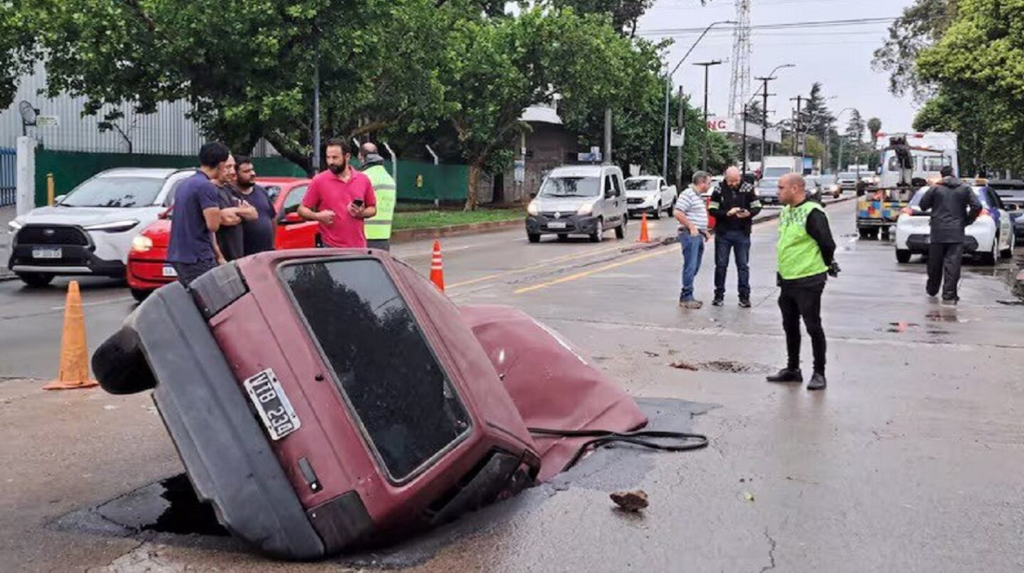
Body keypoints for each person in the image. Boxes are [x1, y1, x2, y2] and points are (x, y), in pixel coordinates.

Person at [766, 174, 837, 391]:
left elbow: (827, 243)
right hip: (787, 279)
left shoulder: (813, 212)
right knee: (789, 326)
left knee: (812, 325)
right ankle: (793, 368)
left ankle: (819, 372)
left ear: (795, 188)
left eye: (780, 187)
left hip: (809, 279)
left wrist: (825, 264)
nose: (777, 192)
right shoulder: (787, 211)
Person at [167, 142, 230, 286]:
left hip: (179, 254)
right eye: (226, 165)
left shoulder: (184, 184)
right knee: (211, 301)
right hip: (197, 256)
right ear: (220, 165)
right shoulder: (207, 186)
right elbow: (213, 225)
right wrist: (230, 214)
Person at [919, 165, 982, 305]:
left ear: (942, 175)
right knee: (953, 264)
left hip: (938, 231)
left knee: (935, 263)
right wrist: (967, 220)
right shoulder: (964, 188)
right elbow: (977, 206)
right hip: (956, 231)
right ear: (954, 174)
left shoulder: (935, 188)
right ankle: (949, 295)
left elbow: (923, 205)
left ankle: (932, 289)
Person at [298, 138, 377, 248]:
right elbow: (302, 210)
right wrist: (317, 216)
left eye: (335, 158)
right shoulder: (319, 180)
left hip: (358, 247)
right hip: (330, 248)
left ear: (347, 157)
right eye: (328, 157)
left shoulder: (363, 179)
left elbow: (372, 209)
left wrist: (360, 213)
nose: (330, 162)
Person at [708, 166, 762, 307]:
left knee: (743, 266)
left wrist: (749, 213)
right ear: (726, 178)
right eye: (731, 181)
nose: (733, 183)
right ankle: (718, 296)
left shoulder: (748, 188)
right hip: (723, 233)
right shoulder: (718, 190)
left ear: (740, 177)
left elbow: (757, 206)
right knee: (721, 266)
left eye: (736, 180)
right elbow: (712, 210)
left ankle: (744, 297)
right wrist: (727, 213)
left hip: (742, 233)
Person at [674, 171, 712, 309]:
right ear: (701, 183)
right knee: (690, 266)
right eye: (708, 183)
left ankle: (687, 294)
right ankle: (686, 296)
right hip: (690, 235)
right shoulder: (688, 194)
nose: (709, 185)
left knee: (695, 266)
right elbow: (677, 212)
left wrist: (704, 231)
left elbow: (695, 216)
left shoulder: (697, 196)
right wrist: (691, 227)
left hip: (697, 235)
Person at [212, 154, 254, 262]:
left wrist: (236, 211)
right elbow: (225, 219)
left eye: (233, 167)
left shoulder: (229, 189)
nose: (233, 172)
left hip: (237, 256)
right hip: (221, 258)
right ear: (218, 167)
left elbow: (253, 213)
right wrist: (220, 257)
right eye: (228, 167)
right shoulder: (210, 190)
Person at [233, 156, 277, 255]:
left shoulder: (261, 191)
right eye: (246, 171)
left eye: (252, 169)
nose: (252, 174)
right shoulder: (229, 196)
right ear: (235, 175)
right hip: (242, 257)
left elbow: (272, 218)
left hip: (265, 254)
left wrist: (272, 246)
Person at [359, 143, 397, 251]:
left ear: (361, 157)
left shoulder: (364, 177)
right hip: (384, 236)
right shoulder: (389, 179)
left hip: (364, 236)